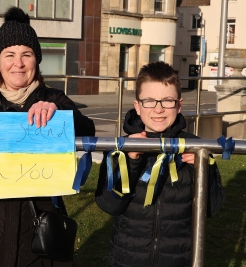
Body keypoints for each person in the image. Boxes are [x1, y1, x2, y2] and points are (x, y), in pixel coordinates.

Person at [0, 6, 95, 267]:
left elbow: (88, 129)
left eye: (27, 54)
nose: (18, 63)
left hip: (40, 242)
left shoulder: (53, 98)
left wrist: (61, 114)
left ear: (37, 60)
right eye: (9, 54)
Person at [95, 61, 226, 267]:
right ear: (137, 106)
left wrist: (204, 171)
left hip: (178, 258)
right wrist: (131, 162)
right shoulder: (121, 148)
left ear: (179, 105)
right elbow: (109, 205)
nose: (158, 109)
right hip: (128, 258)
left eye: (167, 101)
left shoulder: (195, 147)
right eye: (149, 101)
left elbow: (213, 208)